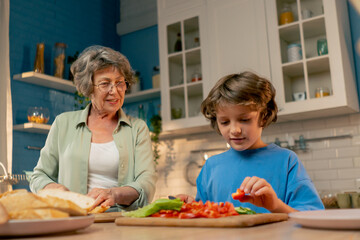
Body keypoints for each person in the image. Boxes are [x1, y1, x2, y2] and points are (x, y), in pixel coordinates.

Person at [30, 45, 157, 211]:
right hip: (72, 218)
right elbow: (39, 175)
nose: (115, 91)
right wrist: (56, 189)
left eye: (120, 83)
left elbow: (146, 181)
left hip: (119, 220)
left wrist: (113, 194)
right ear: (89, 88)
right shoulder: (63, 123)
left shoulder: (137, 129)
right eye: (105, 84)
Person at [179, 71, 324, 213]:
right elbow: (205, 216)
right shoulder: (210, 167)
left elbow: (314, 217)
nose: (235, 130)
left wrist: (276, 206)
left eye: (244, 119)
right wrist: (189, 207)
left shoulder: (287, 161)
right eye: (224, 122)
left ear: (264, 116)